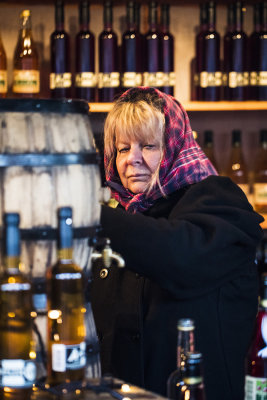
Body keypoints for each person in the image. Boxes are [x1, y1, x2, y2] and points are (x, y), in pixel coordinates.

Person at [90, 87, 264, 400]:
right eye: (122, 148)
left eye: (147, 146)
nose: (132, 159)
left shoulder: (218, 200)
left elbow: (180, 256)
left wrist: (90, 212)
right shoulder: (119, 214)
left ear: (175, 146)